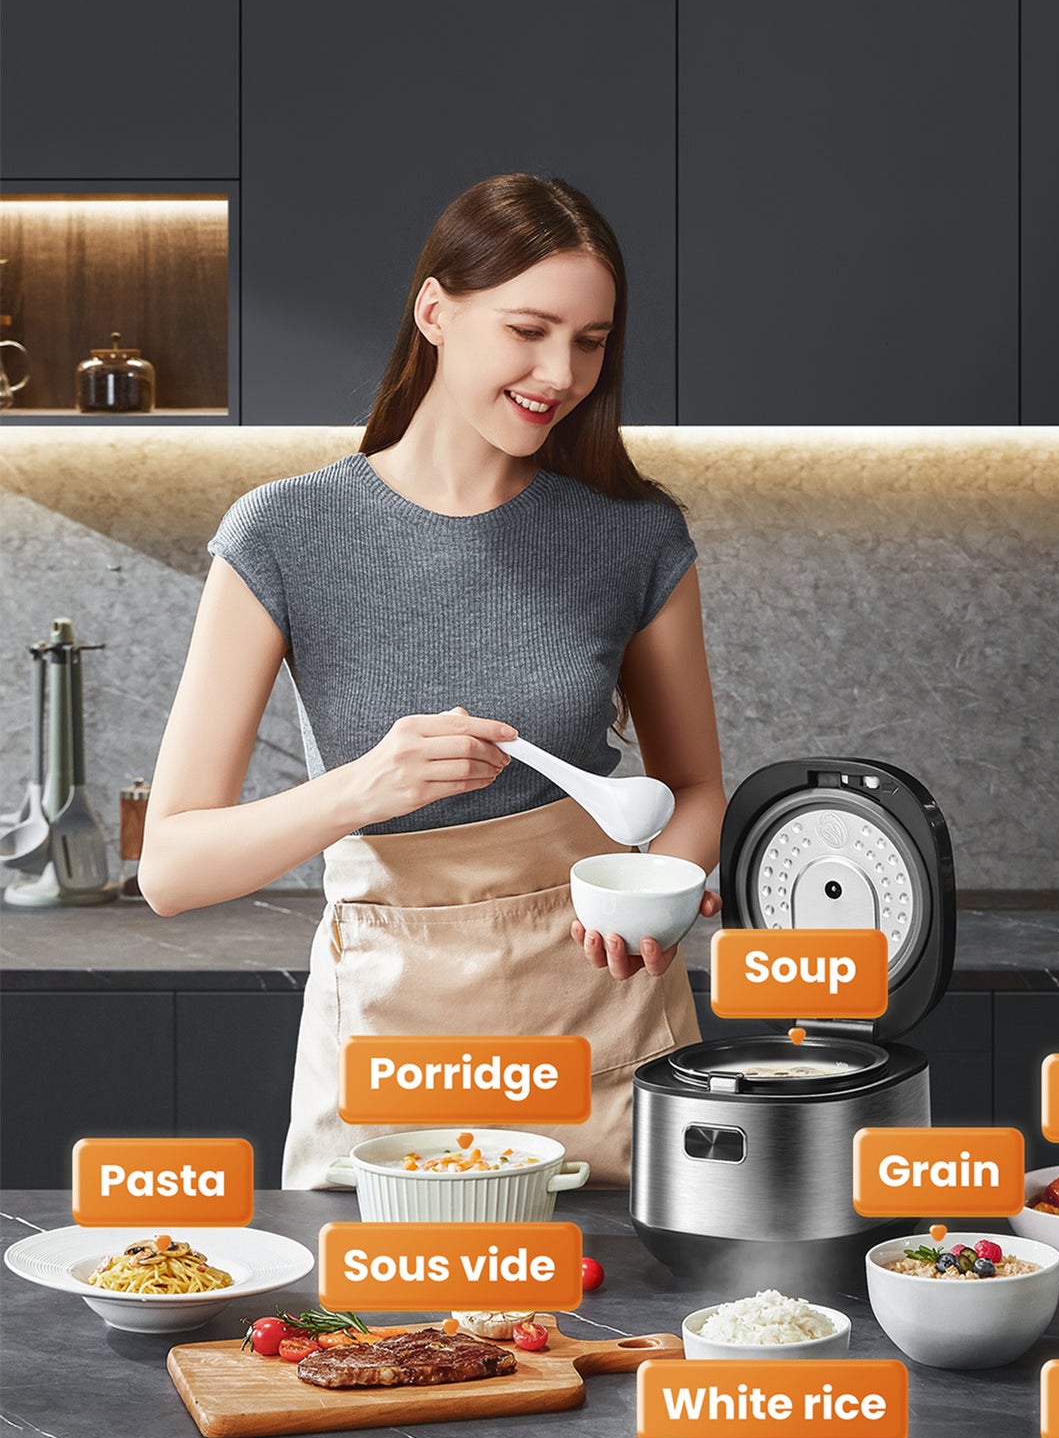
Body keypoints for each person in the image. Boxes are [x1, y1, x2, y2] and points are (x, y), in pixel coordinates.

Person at [139, 173, 725, 1186]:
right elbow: (173, 869)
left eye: (590, 341)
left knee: (613, 1331)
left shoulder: (632, 535)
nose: (561, 372)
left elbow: (694, 787)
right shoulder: (281, 534)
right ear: (435, 311)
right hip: (388, 1039)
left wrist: (659, 888)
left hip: (597, 1023)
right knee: (373, 1346)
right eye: (530, 329)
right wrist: (364, 789)